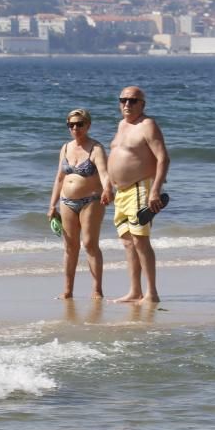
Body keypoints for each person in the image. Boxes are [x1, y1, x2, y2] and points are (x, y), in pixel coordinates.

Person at [107, 86, 170, 303]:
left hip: (139, 187)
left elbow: (163, 158)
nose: (127, 104)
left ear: (142, 104)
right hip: (121, 191)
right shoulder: (121, 125)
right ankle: (135, 291)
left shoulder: (147, 125)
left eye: (133, 101)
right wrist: (108, 186)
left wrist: (155, 190)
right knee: (127, 241)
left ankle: (151, 293)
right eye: (123, 100)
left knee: (140, 240)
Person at [47, 109, 112, 299]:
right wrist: (52, 205)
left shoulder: (96, 149)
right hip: (66, 202)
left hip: (91, 201)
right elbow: (59, 178)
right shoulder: (65, 148)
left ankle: (97, 290)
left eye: (79, 124)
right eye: (71, 125)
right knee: (70, 246)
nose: (75, 128)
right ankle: (68, 290)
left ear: (88, 125)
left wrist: (108, 189)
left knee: (90, 244)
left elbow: (105, 174)